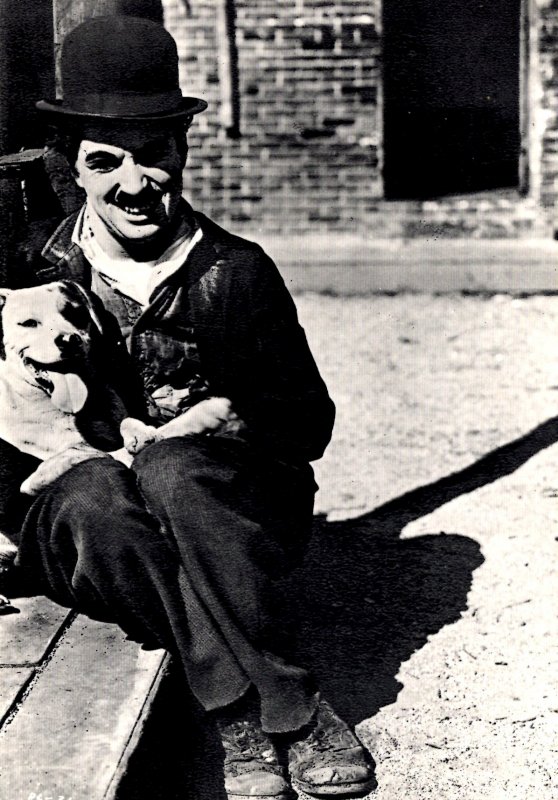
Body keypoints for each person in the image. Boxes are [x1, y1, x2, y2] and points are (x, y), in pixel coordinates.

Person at [1, 16, 374, 800]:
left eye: (157, 156)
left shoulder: (235, 272)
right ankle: (273, 709)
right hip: (88, 525)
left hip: (227, 513)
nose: (136, 185)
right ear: (72, 165)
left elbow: (310, 427)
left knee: (172, 469)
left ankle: (261, 712)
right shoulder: (32, 272)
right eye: (107, 163)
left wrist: (226, 420)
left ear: (184, 151)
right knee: (98, 495)